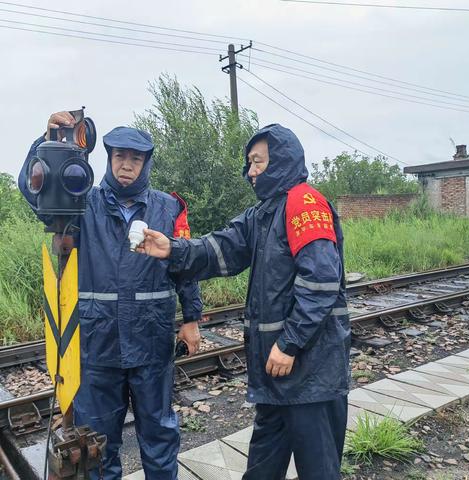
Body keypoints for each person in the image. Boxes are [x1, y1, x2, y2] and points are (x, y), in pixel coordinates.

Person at [137, 124, 351, 480]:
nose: (250, 171)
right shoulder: (263, 214)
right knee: (262, 469)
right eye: (249, 163)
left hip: (310, 373)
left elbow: (321, 282)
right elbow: (219, 247)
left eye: (257, 162)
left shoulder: (303, 201)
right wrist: (172, 249)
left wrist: (290, 344)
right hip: (276, 375)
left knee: (320, 470)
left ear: (281, 160)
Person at [18, 111, 203, 480]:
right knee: (98, 444)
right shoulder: (82, 200)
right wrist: (47, 142)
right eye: (120, 157)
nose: (126, 165)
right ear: (109, 158)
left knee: (160, 434)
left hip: (151, 344)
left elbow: (185, 266)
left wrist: (192, 319)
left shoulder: (168, 207)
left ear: (146, 162)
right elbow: (35, 188)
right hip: (97, 344)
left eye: (135, 158)